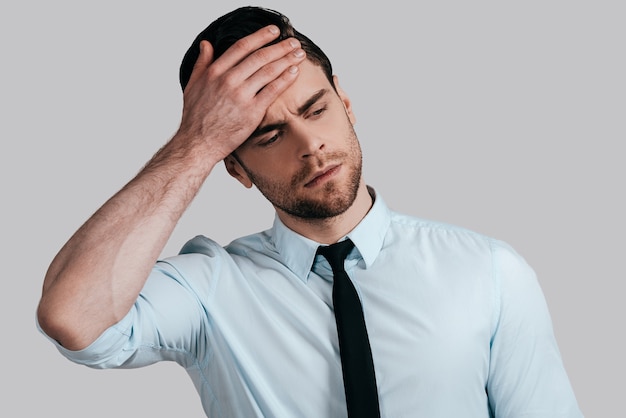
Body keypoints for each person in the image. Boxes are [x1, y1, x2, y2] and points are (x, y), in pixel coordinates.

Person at [37, 6, 583, 418]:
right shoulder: (209, 291)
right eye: (268, 134)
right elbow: (73, 317)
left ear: (344, 102)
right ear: (235, 167)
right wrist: (195, 144)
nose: (309, 144)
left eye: (315, 109)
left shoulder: (489, 271)